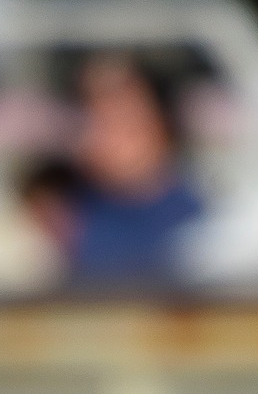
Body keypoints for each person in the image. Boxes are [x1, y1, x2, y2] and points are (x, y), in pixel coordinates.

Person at [64, 56, 203, 289]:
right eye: (98, 118)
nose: (106, 136)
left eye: (124, 122)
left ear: (161, 123)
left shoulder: (202, 222)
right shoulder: (62, 217)